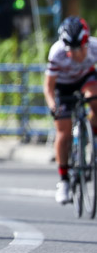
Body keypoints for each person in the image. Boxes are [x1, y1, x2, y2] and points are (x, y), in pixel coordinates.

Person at [43, 16, 97, 205]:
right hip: (63, 86)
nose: (74, 54)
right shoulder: (57, 52)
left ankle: (92, 133)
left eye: (78, 49)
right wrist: (53, 106)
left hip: (85, 79)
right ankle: (64, 181)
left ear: (86, 44)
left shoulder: (95, 48)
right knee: (63, 132)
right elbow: (48, 87)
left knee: (94, 97)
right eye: (70, 50)